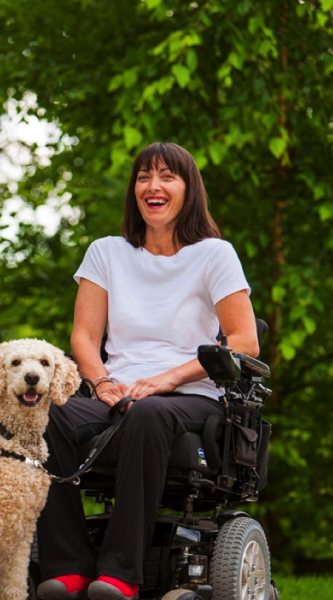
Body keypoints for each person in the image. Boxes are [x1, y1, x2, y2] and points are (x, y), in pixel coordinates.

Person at [36, 142, 259, 600]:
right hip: (116, 392)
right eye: (143, 177)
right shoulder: (106, 253)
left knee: (148, 414)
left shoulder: (215, 255)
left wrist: (168, 379)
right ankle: (68, 566)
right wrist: (99, 383)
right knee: (44, 413)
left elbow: (244, 341)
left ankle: (120, 575)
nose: (153, 186)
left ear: (187, 189)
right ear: (134, 190)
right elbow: (83, 337)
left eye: (166, 176)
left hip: (189, 396)